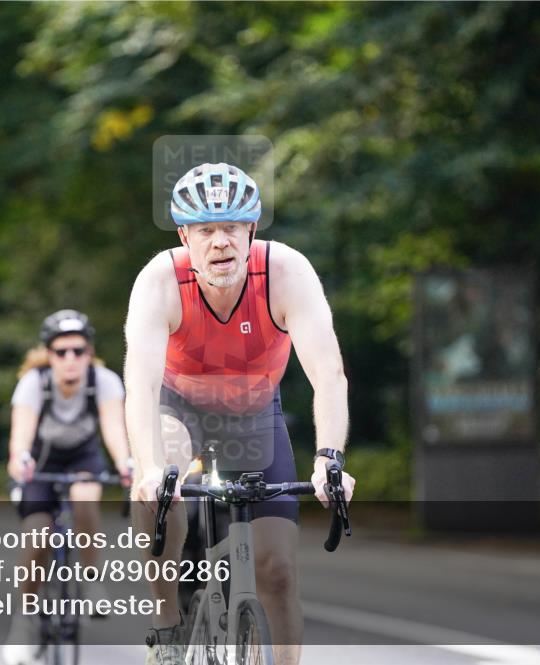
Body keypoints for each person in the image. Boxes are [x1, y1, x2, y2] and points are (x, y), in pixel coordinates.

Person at [125, 163, 357, 665]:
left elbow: (329, 376)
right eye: (206, 230)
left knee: (277, 571)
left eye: (232, 227)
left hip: (254, 412)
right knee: (161, 480)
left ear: (251, 229)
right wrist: (146, 467)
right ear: (185, 235)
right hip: (178, 408)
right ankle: (165, 625)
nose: (220, 242)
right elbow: (140, 387)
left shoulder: (286, 272)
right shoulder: (160, 281)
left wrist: (329, 458)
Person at [3, 309, 132, 665]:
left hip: (83, 458)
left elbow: (114, 429)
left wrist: (125, 464)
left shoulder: (103, 380)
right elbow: (20, 440)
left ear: (89, 352)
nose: (71, 359)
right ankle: (24, 620)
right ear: (50, 355)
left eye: (78, 350)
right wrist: (21, 462)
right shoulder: (34, 382)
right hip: (42, 463)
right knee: (37, 535)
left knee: (86, 497)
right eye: (61, 352)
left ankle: (91, 581)